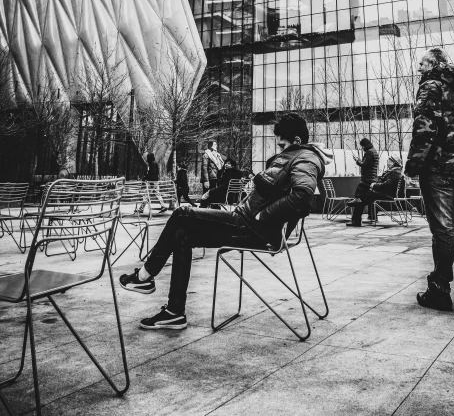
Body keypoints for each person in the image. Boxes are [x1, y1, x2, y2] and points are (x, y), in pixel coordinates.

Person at [119, 113, 332, 330]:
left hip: (252, 226)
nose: (279, 148)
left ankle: (145, 276)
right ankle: (174, 312)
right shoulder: (298, 155)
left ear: (296, 141)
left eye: (282, 143)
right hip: (247, 222)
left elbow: (302, 195)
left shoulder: (305, 158)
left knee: (182, 213)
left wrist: (263, 215)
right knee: (181, 235)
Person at [405, 47, 454, 312]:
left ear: (435, 64)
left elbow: (424, 128)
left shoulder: (431, 87)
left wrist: (414, 165)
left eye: (422, 63)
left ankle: (439, 291)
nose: (419, 68)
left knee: (443, 230)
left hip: (439, 168)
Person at [349, 155, 402, 226]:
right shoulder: (394, 172)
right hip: (385, 193)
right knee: (363, 188)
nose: (388, 162)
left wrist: (374, 185)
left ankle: (356, 220)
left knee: (361, 198)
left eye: (389, 161)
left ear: (393, 163)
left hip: (387, 195)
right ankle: (365, 215)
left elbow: (387, 186)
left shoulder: (394, 173)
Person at [352, 138, 379, 221]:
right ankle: (372, 215)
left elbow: (364, 164)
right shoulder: (374, 151)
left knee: (360, 197)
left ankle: (356, 219)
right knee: (371, 198)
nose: (362, 148)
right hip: (372, 177)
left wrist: (357, 161)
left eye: (362, 146)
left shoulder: (369, 153)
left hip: (368, 178)